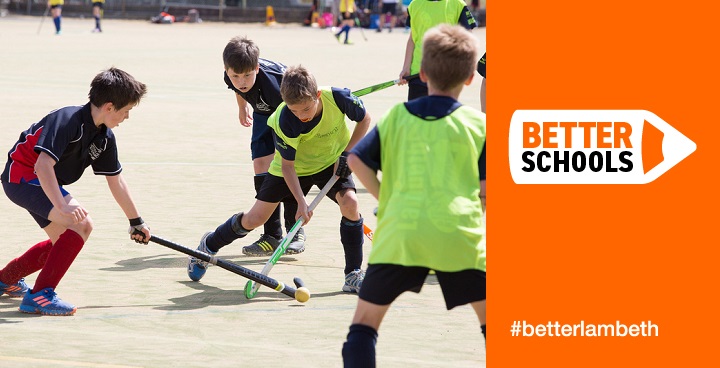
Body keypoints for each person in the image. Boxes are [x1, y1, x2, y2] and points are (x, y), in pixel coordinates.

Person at [341, 24, 486, 366]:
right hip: (458, 235)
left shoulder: (396, 117)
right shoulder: (479, 126)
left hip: (400, 234)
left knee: (363, 327)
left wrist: (385, 198)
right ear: (469, 79)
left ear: (423, 73)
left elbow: (356, 160)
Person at [186, 65, 371, 293]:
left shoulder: (339, 97)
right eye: (295, 111)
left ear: (318, 95)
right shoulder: (284, 119)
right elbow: (288, 167)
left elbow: (364, 120)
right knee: (255, 218)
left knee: (351, 204)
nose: (301, 116)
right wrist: (301, 203)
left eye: (306, 109)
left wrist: (348, 153)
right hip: (292, 169)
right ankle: (208, 246)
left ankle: (352, 274)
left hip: (330, 164)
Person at [0, 67, 151, 316]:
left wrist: (136, 222)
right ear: (109, 107)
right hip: (22, 177)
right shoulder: (68, 120)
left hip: (42, 181)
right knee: (82, 225)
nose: (127, 117)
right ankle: (40, 295)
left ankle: (6, 279)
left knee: (63, 242)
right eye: (126, 111)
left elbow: (116, 181)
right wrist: (61, 204)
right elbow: (42, 165)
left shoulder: (104, 137)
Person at [205, 36, 304, 264]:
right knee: (260, 165)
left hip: (287, 114)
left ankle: (294, 231)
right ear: (227, 70)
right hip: (262, 113)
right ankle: (272, 235)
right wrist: (242, 108)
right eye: (235, 76)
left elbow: (296, 113)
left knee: (284, 167)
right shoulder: (231, 75)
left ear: (257, 68)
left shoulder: (274, 83)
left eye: (248, 75)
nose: (242, 81)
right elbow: (238, 91)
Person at [397, 0, 477, 100]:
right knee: (417, 113)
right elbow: (413, 38)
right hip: (418, 73)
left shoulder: (458, 4)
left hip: (447, 73)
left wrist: (468, 65)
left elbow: (467, 40)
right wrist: (406, 67)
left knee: (442, 113)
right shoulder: (415, 4)